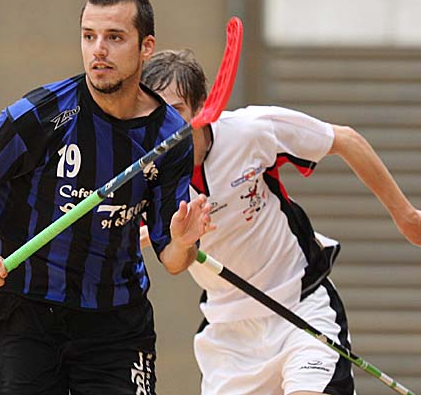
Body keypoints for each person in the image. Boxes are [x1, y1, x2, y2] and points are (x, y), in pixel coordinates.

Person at [0, 0, 215, 394]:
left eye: (114, 37)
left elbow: (172, 260)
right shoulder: (42, 113)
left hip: (117, 321)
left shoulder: (169, 137)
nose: (98, 50)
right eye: (89, 36)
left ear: (146, 47)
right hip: (28, 311)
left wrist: (185, 242)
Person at [140, 49, 421, 395]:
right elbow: (173, 261)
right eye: (155, 112)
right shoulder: (148, 176)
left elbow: (344, 139)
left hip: (301, 307)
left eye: (176, 110)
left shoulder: (249, 131)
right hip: (230, 338)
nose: (165, 124)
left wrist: (406, 216)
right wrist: (179, 241)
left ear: (201, 108)